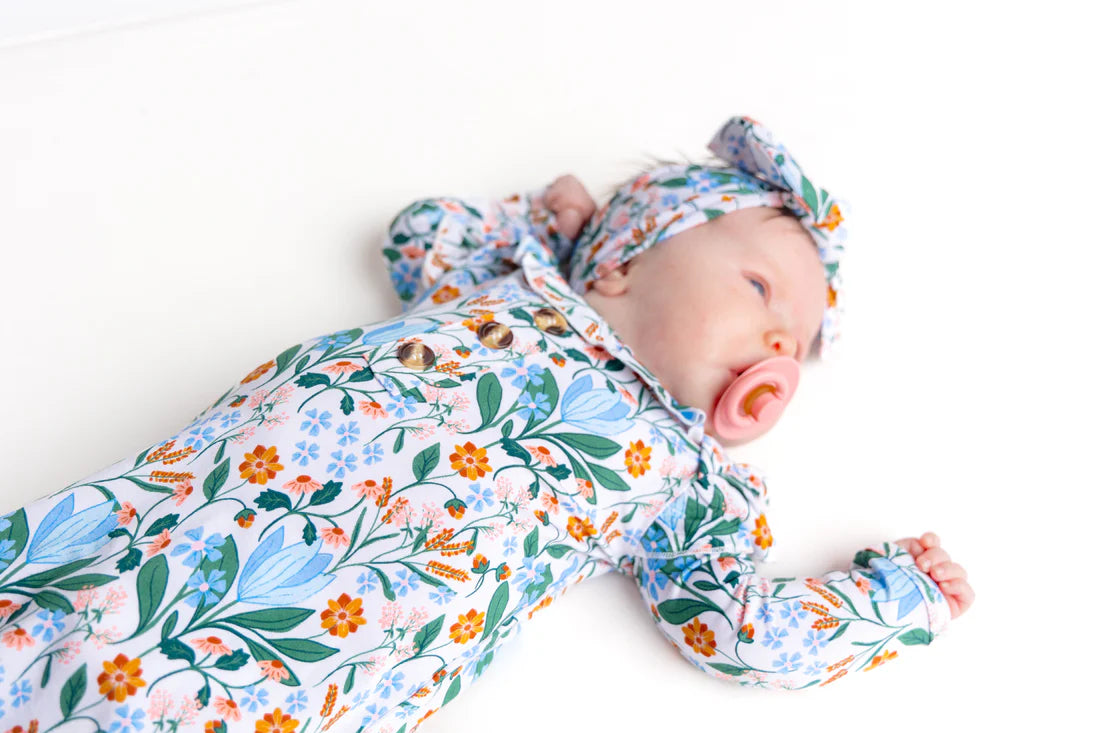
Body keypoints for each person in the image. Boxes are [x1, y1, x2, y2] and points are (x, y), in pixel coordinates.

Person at [0, 116, 972, 733]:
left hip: (335, 646)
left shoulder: (688, 481)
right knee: (74, 597)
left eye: (789, 339)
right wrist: (543, 231)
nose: (771, 337)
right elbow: (418, 229)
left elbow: (737, 627)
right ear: (623, 260)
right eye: (758, 288)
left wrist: (893, 597)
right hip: (212, 504)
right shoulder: (508, 285)